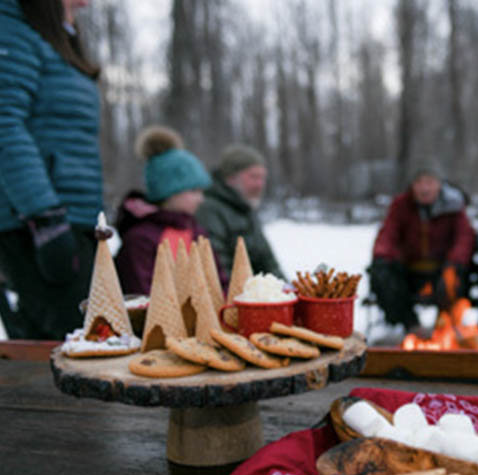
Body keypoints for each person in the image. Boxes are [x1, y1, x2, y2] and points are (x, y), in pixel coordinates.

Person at [0, 0, 102, 339]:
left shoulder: (59, 33)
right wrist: (45, 218)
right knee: (61, 355)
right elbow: (4, 123)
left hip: (76, 219)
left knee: (89, 349)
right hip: (38, 225)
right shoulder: (13, 26)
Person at [370, 161, 476, 330]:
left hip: (444, 270)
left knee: (453, 279)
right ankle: (411, 325)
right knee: (381, 274)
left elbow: (465, 238)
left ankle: (444, 328)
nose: (424, 188)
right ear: (412, 185)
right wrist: (382, 255)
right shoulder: (400, 205)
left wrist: (455, 263)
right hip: (410, 271)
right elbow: (387, 234)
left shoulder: (454, 206)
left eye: (429, 182)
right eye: (419, 182)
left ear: (439, 184)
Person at [115, 126, 215, 295]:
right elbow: (139, 295)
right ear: (168, 193)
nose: (201, 198)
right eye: (193, 191)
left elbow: (217, 283)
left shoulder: (197, 232)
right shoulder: (140, 240)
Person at [195, 144, 284, 280]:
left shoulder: (246, 208)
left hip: (255, 294)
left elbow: (267, 260)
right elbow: (217, 267)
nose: (260, 184)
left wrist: (285, 290)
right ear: (231, 178)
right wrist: (251, 295)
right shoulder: (209, 209)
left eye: (262, 178)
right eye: (253, 177)